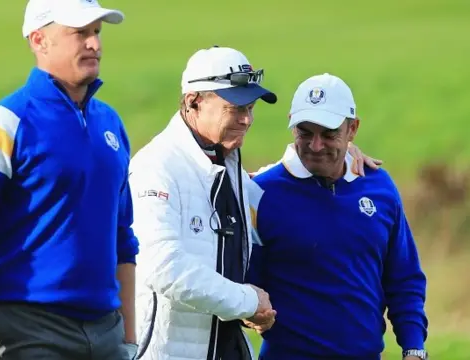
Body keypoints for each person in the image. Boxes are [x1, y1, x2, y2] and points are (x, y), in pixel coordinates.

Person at [128, 46, 380, 360]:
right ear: (194, 101)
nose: (247, 120)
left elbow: (273, 184)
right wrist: (247, 301)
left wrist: (340, 157)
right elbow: (164, 267)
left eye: (251, 107)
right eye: (235, 108)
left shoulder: (225, 158)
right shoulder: (157, 167)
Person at [0, 0, 139, 359]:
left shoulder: (111, 124)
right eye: (80, 33)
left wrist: (130, 337)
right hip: (25, 331)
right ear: (39, 40)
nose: (95, 44)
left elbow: (123, 238)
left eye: (96, 32)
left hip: (108, 333)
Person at [245, 73, 429, 360]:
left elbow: (403, 278)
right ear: (291, 123)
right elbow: (243, 283)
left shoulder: (379, 186)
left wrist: (414, 348)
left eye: (329, 134)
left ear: (352, 129)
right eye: (305, 132)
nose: (316, 145)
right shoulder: (259, 192)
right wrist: (250, 312)